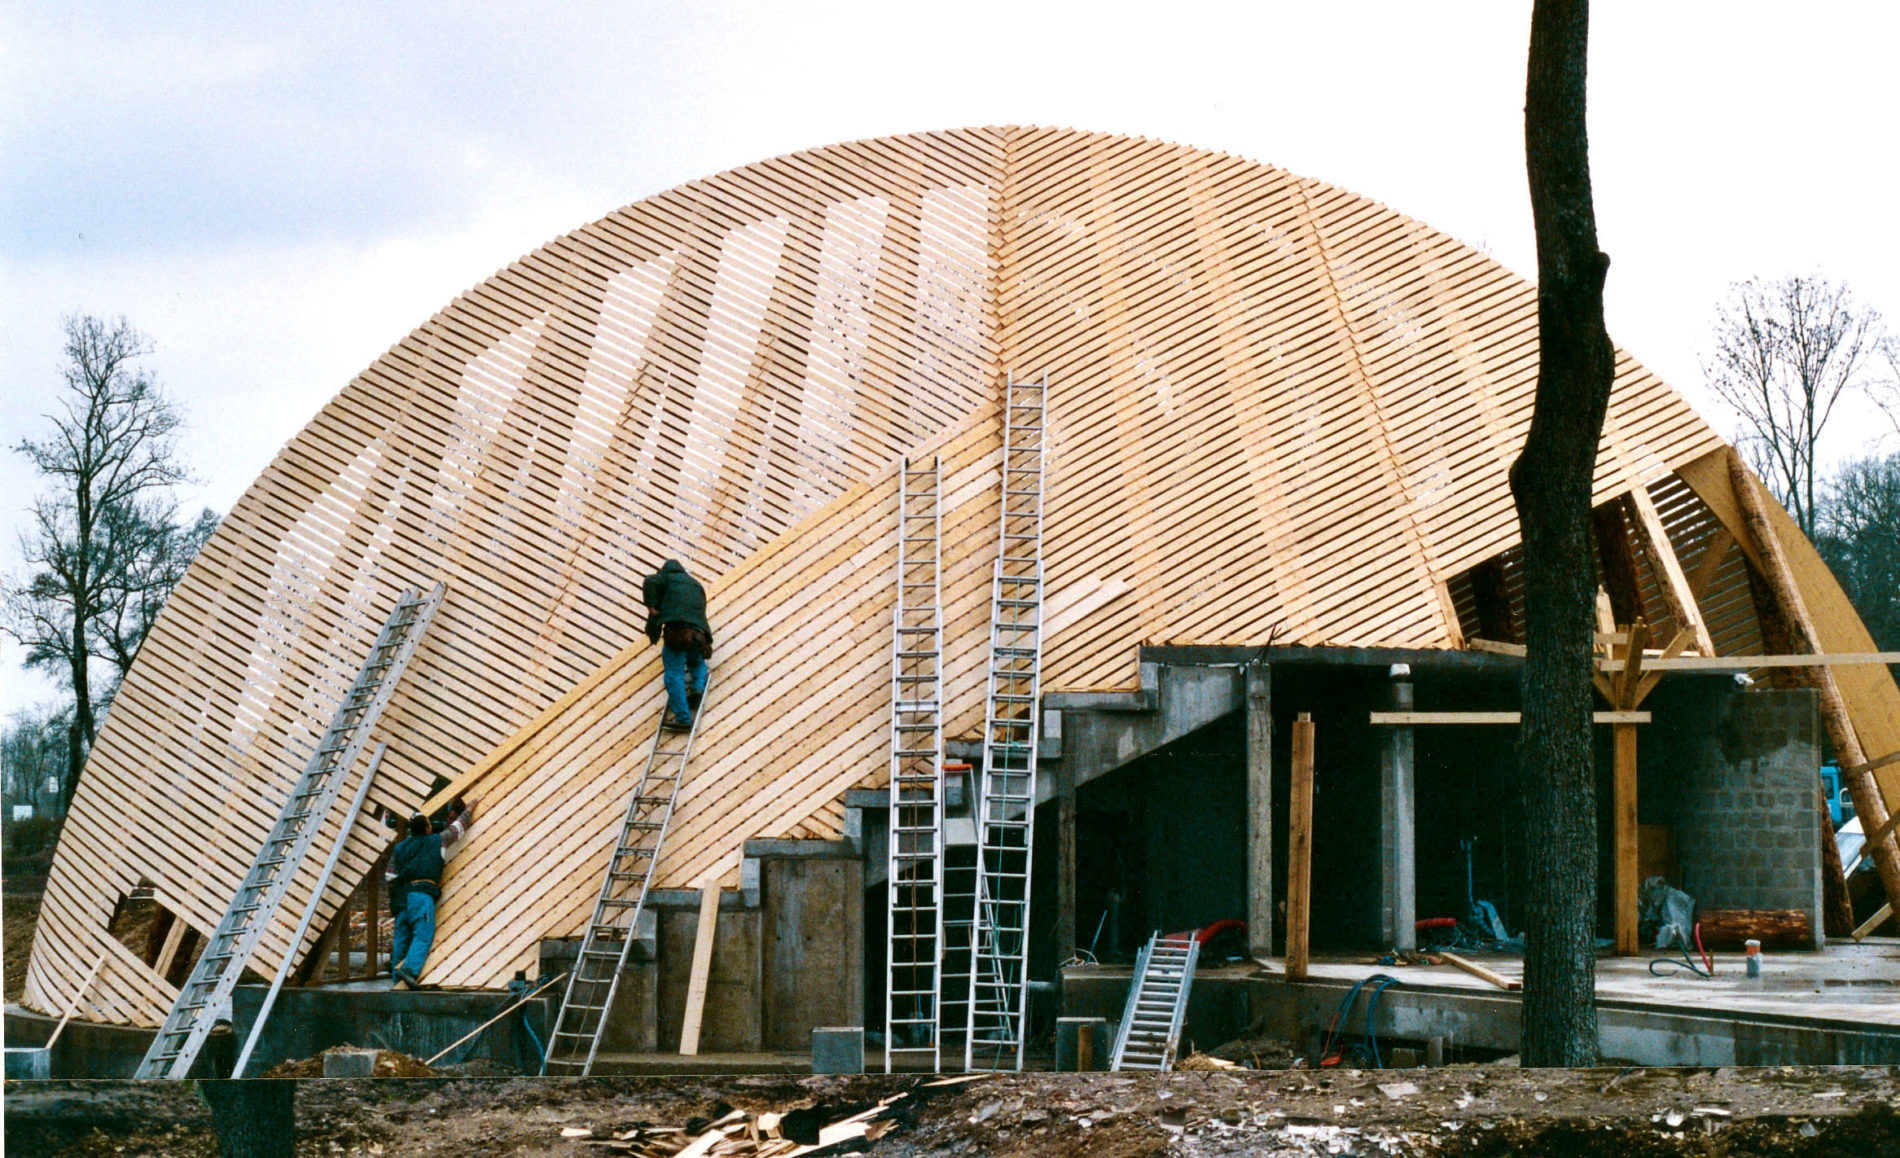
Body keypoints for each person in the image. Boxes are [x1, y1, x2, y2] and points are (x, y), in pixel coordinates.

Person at [385, 797, 475, 989]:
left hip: (402, 899)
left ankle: (396, 982)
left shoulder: (400, 848)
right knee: (423, 934)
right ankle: (409, 970)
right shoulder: (438, 841)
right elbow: (458, 828)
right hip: (421, 895)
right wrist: (469, 809)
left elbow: (389, 877)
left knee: (401, 938)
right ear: (427, 828)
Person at [643, 559, 713, 732]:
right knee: (696, 663)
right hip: (699, 635)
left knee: (674, 674)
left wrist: (652, 608)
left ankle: (683, 718)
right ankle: (697, 688)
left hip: (678, 634)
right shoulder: (696, 585)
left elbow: (649, 581)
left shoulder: (666, 579)